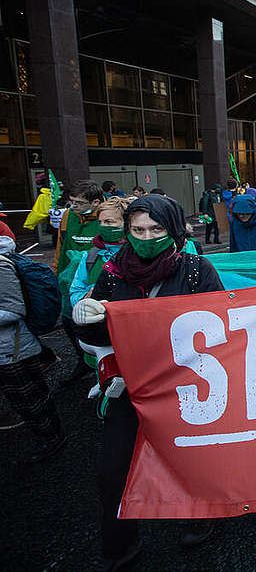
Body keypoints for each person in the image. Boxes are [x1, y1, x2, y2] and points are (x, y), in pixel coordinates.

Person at [73, 194, 224, 568]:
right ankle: (120, 542)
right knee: (112, 469)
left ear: (172, 230)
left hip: (184, 387)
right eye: (137, 229)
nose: (146, 236)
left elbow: (221, 325)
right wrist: (85, 320)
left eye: (156, 229)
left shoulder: (196, 270)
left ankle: (199, 513)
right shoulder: (110, 273)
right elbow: (97, 341)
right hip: (130, 388)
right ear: (127, 231)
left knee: (191, 458)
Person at [0, 234, 65, 462]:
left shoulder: (1, 265)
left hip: (12, 348)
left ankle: (52, 439)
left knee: (29, 399)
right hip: (9, 347)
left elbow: (14, 310)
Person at [53, 180, 105, 383]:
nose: (73, 207)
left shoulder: (106, 217)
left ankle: (101, 363)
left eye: (79, 203)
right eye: (71, 202)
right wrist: (57, 272)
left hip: (96, 279)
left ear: (96, 202)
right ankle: (83, 360)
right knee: (69, 320)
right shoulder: (68, 217)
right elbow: (61, 246)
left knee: (96, 322)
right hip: (69, 278)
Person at [68, 197, 130, 306]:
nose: (102, 226)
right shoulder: (91, 256)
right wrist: (85, 300)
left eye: (108, 222)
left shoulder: (138, 254)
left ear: (127, 223)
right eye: (100, 222)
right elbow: (75, 291)